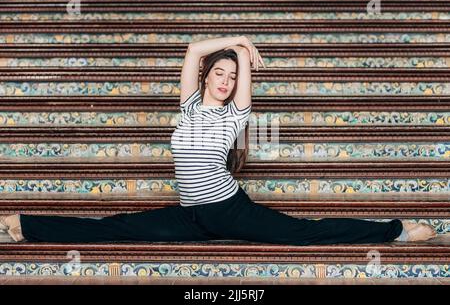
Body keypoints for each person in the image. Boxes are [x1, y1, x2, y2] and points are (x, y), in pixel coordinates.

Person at [0, 35, 437, 245]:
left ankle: (396, 230)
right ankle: (25, 224)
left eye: (232, 76)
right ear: (207, 77)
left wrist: (244, 56)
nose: (226, 81)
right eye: (219, 74)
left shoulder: (235, 115)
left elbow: (241, 76)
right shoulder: (190, 105)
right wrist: (238, 40)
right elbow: (192, 50)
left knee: (304, 234)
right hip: (190, 216)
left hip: (230, 211)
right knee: (115, 226)